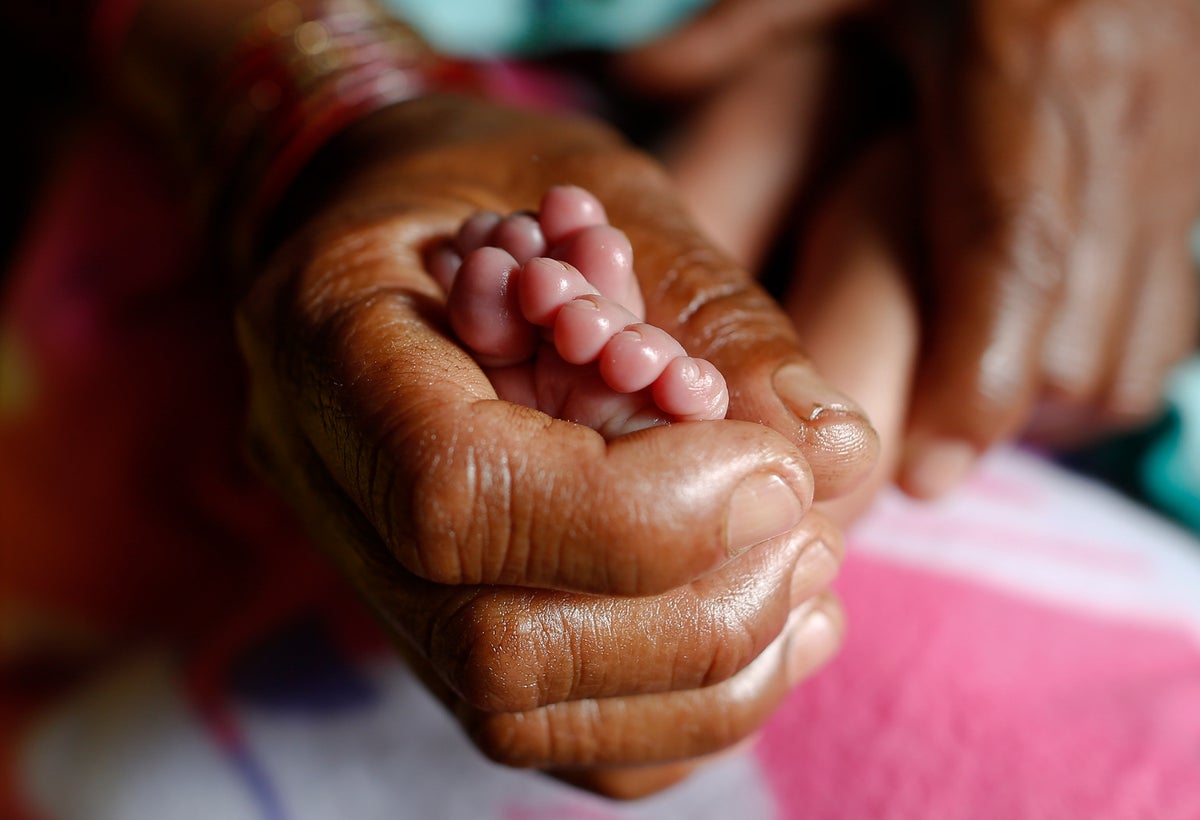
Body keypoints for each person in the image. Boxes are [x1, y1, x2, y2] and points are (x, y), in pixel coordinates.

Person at [2, 0, 1197, 803]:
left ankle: (777, 202)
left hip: (1057, 253)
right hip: (546, 105)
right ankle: (721, 405)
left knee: (904, 248)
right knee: (838, 369)